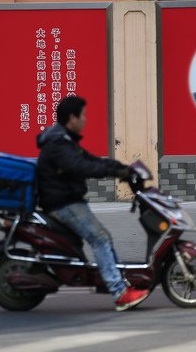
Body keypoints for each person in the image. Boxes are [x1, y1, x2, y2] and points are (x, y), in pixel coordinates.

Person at [36, 96, 149, 311]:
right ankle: (119, 292)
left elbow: (91, 160)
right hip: (63, 203)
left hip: (69, 200)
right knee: (100, 238)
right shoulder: (58, 144)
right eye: (83, 115)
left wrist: (122, 168)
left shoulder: (65, 140)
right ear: (72, 118)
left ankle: (118, 281)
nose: (86, 120)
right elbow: (82, 167)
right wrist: (116, 172)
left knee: (102, 237)